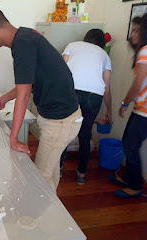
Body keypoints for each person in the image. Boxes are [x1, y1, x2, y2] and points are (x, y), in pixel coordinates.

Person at [0, 4, 82, 192]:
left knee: (40, 177)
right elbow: (27, 84)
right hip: (59, 117)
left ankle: (46, 219)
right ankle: (53, 213)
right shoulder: (26, 35)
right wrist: (5, 98)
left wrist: (13, 138)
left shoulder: (22, 44)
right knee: (50, 170)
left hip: (61, 121)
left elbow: (23, 94)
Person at [61, 29, 112, 184]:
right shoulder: (105, 55)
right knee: (85, 134)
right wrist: (109, 110)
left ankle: (59, 168)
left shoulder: (73, 46)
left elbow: (62, 70)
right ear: (103, 43)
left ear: (85, 37)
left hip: (71, 90)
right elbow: (107, 89)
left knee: (65, 130)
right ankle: (82, 174)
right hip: (94, 95)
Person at [110, 14, 147, 198]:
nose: (132, 35)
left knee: (131, 146)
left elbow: (138, 84)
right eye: (132, 30)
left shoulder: (145, 51)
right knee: (128, 142)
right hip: (141, 109)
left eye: (137, 31)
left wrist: (124, 103)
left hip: (145, 112)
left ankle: (135, 186)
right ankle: (130, 177)